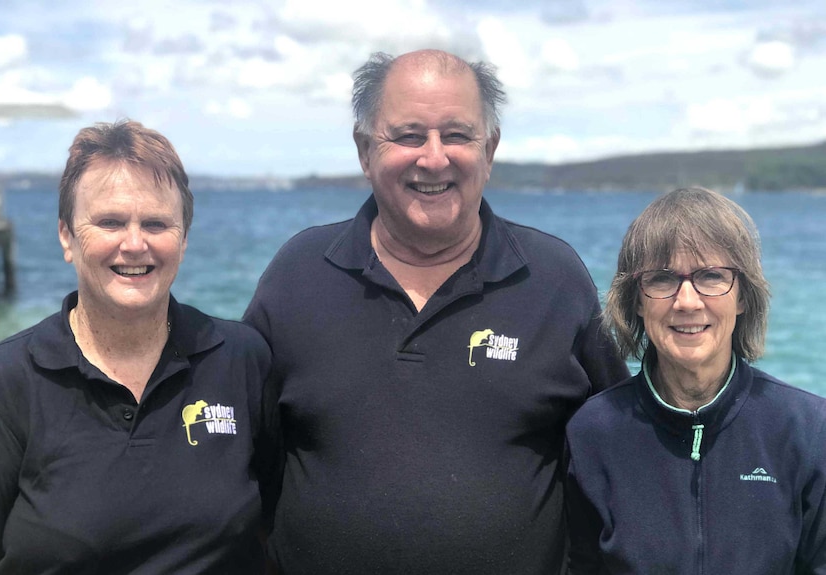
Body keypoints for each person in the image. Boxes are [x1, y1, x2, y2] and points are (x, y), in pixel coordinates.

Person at [243, 49, 629, 574]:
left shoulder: (554, 278)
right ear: (364, 150)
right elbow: (244, 460)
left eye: (456, 135)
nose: (433, 158)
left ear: (489, 149)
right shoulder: (297, 275)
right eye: (407, 135)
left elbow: (619, 455)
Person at [0, 119, 275, 574]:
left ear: (184, 239)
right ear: (67, 237)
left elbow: (276, 526)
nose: (134, 243)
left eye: (156, 223)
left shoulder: (240, 358)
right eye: (110, 222)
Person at [565, 186, 826, 574]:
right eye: (662, 279)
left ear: (742, 297)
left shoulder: (807, 428)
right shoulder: (593, 433)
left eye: (711, 276)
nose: (687, 301)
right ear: (636, 300)